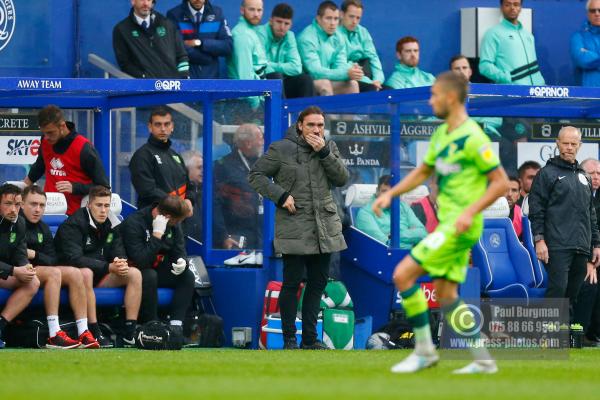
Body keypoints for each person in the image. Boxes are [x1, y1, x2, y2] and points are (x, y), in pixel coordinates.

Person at [372, 71, 509, 373]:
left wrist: (469, 211)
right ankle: (484, 360)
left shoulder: (474, 137)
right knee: (447, 295)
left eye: (434, 95)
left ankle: (424, 351)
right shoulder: (442, 133)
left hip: (458, 226)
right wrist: (390, 194)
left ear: (449, 97)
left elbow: (501, 183)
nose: (431, 100)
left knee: (403, 275)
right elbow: (423, 171)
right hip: (450, 224)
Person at [249, 106, 349, 350]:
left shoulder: (329, 147)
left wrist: (324, 152)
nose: (316, 130)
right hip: (294, 223)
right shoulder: (281, 148)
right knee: (292, 283)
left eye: (320, 125)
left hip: (324, 225)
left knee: (317, 284)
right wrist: (281, 196)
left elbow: (342, 179)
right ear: (300, 126)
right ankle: (289, 339)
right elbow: (256, 175)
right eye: (311, 125)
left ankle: (310, 339)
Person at [54, 186, 142, 347]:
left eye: (107, 206)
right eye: (99, 205)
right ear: (89, 205)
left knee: (134, 273)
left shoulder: (113, 223)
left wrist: (120, 262)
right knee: (86, 273)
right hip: (73, 279)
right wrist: (108, 267)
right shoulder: (73, 224)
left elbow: (118, 250)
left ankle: (129, 333)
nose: (103, 210)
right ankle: (94, 330)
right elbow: (74, 259)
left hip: (100, 275)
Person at [528, 126, 600, 318]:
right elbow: (536, 210)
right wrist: (539, 240)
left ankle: (561, 332)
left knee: (572, 293)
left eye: (573, 144)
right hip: (557, 245)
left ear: (580, 145)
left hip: (582, 246)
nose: (569, 147)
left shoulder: (584, 175)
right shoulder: (546, 173)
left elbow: (590, 213)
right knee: (557, 290)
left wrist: (596, 244)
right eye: (565, 143)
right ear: (557, 143)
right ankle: (547, 333)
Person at [21, 185, 99, 349]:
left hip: (40, 271)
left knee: (77, 273)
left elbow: (52, 259)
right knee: (55, 272)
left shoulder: (43, 227)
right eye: (33, 204)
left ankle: (83, 332)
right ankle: (54, 333)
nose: (37, 209)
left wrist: (34, 254)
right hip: (18, 272)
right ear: (21, 204)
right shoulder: (15, 223)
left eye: (42, 206)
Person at [120, 195, 195, 344]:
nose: (177, 224)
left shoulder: (173, 223)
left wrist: (182, 262)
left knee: (187, 276)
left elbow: (179, 249)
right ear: (167, 216)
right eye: (177, 221)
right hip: (134, 272)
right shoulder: (134, 222)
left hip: (159, 269)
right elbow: (141, 260)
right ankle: (152, 326)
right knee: (149, 275)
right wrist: (157, 235)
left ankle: (176, 327)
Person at [24, 105, 109, 216]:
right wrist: (24, 186)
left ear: (62, 126)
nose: (46, 137)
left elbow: (103, 187)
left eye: (50, 132)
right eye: (43, 133)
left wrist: (75, 187)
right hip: (47, 211)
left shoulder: (84, 148)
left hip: (76, 215)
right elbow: (40, 166)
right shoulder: (46, 141)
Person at [129, 107, 194, 218]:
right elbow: (147, 190)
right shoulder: (142, 155)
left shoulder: (175, 155)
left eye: (166, 124)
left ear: (172, 127)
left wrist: (189, 200)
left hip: (178, 220)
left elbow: (189, 185)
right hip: (154, 219)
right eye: (158, 124)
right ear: (150, 127)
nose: (163, 129)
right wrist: (179, 205)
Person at [0, 184, 39, 349]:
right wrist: (14, 271)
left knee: (33, 281)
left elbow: (20, 253)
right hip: (5, 271)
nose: (13, 210)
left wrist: (25, 267)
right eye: (8, 204)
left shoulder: (19, 223)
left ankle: (1, 325)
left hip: (3, 273)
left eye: (17, 205)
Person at [214, 123, 264, 249]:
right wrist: (222, 236)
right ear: (248, 143)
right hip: (237, 236)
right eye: (260, 138)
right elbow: (214, 204)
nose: (263, 142)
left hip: (260, 235)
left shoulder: (262, 164)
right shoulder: (223, 166)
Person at [113, 0, 190, 78]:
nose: (146, 4)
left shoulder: (167, 24)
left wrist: (184, 77)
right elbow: (125, 64)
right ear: (133, 1)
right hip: (144, 88)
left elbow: (181, 55)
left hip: (172, 87)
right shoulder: (122, 29)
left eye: (149, 0)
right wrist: (144, 77)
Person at [298, 1, 361, 96]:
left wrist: (351, 71)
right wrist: (346, 73)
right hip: (307, 83)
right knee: (325, 84)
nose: (333, 23)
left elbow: (341, 66)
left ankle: (348, 111)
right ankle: (326, 112)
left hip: (329, 80)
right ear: (318, 19)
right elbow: (315, 72)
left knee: (353, 85)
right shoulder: (306, 38)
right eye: (328, 18)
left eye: (336, 19)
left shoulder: (339, 37)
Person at [479, 0, 545, 85]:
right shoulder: (493, 34)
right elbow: (485, 66)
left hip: (537, 91)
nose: (512, 8)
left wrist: (541, 84)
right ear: (501, 7)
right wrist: (507, 78)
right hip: (512, 92)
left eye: (516, 4)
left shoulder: (528, 35)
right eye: (507, 4)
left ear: (520, 7)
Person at [256, 3, 314, 98]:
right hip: (262, 89)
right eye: (279, 22)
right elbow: (261, 67)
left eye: (286, 23)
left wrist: (272, 65)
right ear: (271, 21)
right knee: (275, 77)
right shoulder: (260, 34)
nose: (282, 27)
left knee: (305, 80)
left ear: (291, 25)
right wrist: (281, 69)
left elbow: (296, 68)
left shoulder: (289, 36)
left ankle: (305, 112)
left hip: (281, 83)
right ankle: (281, 112)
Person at [355, 175, 427, 248]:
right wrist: (412, 236)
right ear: (377, 191)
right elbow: (385, 244)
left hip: (411, 255)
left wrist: (392, 236)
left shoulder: (403, 206)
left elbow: (423, 234)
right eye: (384, 191)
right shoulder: (365, 213)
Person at [167, 0, 233, 79]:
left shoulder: (217, 13)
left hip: (211, 80)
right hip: (185, 79)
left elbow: (228, 46)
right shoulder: (174, 14)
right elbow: (176, 47)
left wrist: (201, 43)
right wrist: (205, 59)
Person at [573, 158, 600, 345]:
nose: (596, 177)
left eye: (599, 174)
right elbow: (575, 229)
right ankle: (580, 333)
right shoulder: (573, 195)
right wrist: (589, 260)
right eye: (592, 173)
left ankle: (594, 332)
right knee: (590, 282)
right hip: (577, 253)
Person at [449, 54, 503, 139]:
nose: (461, 71)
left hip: (486, 134)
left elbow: (497, 120)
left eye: (464, 68)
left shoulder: (482, 91)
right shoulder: (445, 95)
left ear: (470, 72)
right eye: (457, 69)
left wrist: (471, 122)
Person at [227, 0, 268, 110]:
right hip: (247, 102)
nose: (256, 14)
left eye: (259, 10)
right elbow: (245, 77)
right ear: (242, 10)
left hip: (260, 94)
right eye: (252, 9)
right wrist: (256, 104)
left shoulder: (252, 31)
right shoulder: (242, 35)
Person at [338, 0, 384, 92]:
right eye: (351, 16)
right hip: (346, 78)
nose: (354, 21)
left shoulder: (363, 32)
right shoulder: (334, 33)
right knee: (371, 89)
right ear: (342, 14)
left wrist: (378, 80)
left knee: (389, 91)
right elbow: (340, 63)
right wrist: (369, 82)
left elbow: (373, 58)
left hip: (366, 76)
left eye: (358, 18)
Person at [571, 0, 600, 87]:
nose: (597, 14)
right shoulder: (578, 37)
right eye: (593, 10)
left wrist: (590, 54)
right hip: (588, 94)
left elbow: (589, 59)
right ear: (588, 14)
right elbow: (581, 59)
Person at [181, 150, 203, 241]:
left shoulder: (206, 194)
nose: (203, 171)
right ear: (186, 170)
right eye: (199, 167)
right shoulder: (178, 195)